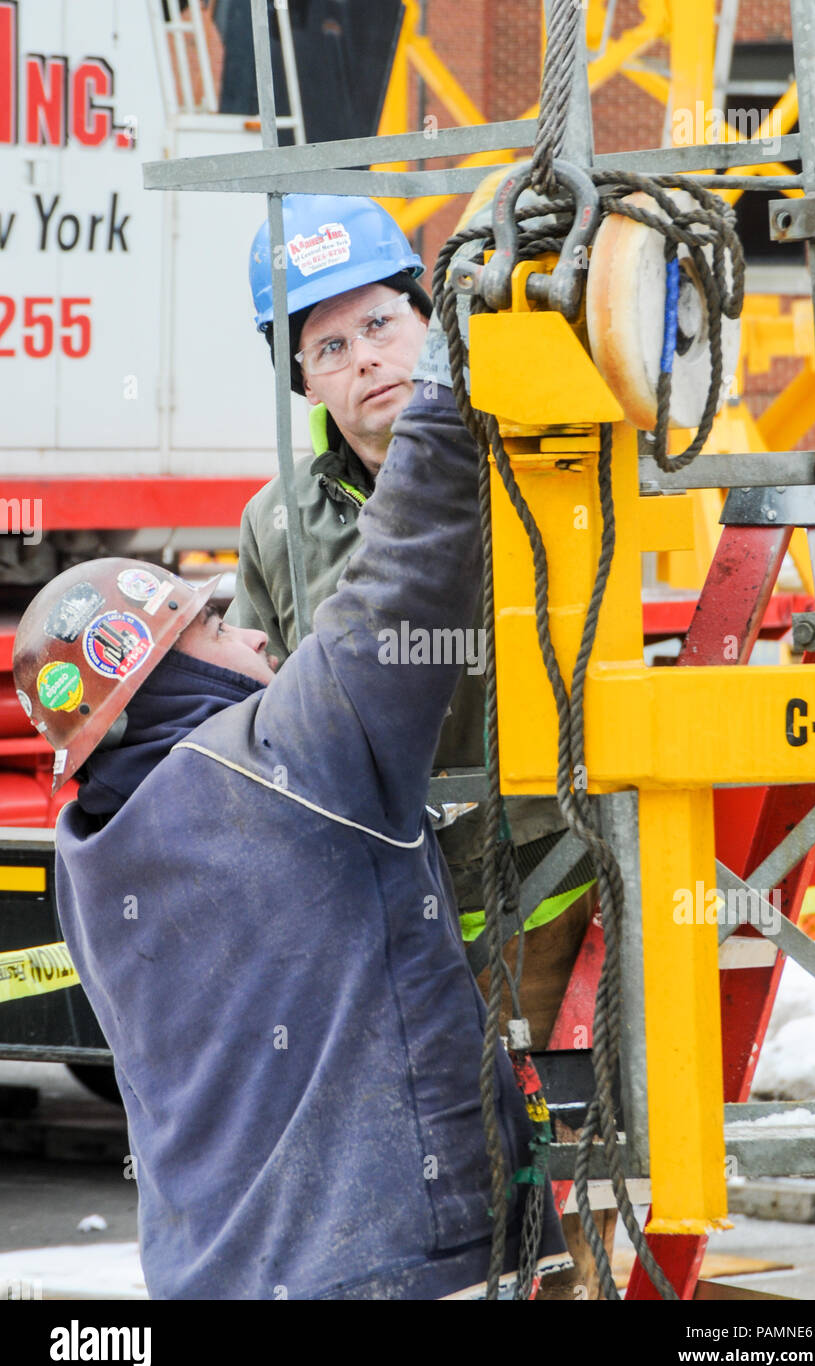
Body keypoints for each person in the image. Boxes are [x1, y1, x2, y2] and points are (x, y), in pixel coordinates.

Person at [13, 339, 571, 1297]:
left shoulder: (88, 860)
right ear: (167, 677)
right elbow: (403, 579)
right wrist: (440, 373)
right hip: (394, 1266)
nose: (257, 630)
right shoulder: (283, 759)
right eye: (216, 628)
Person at [230, 194, 595, 995]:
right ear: (303, 383)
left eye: (377, 326)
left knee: (538, 1108)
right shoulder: (275, 521)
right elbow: (248, 695)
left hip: (540, 880)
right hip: (371, 895)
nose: (362, 358)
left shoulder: (530, 461)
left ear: (427, 323)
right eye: (328, 346)